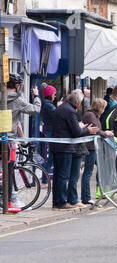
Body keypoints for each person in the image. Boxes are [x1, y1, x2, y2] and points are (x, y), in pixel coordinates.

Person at [50, 89, 98, 210]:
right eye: (81, 102)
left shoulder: (61, 108)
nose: (81, 105)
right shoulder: (70, 111)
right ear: (77, 102)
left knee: (57, 175)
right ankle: (61, 202)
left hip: (56, 146)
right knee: (63, 175)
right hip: (65, 147)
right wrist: (88, 130)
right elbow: (76, 132)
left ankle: (56, 201)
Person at [5, 74, 41, 213]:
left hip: (3, 137)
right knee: (10, 170)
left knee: (4, 170)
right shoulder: (17, 100)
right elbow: (35, 110)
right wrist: (37, 96)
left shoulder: (2, 98)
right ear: (17, 86)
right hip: (9, 141)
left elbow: (17, 122)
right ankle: (10, 200)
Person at [81, 98, 114, 205]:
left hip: (94, 147)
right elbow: (96, 130)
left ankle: (102, 192)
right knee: (88, 172)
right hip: (90, 147)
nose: (104, 110)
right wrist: (106, 133)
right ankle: (86, 197)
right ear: (99, 107)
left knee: (101, 168)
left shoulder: (93, 115)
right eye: (103, 108)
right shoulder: (90, 115)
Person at [40, 83, 58, 187]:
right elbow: (57, 116)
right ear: (50, 95)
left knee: (51, 157)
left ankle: (45, 179)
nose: (55, 96)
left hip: (50, 132)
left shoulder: (47, 105)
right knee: (51, 157)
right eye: (54, 94)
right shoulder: (49, 106)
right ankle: (44, 180)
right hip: (52, 133)